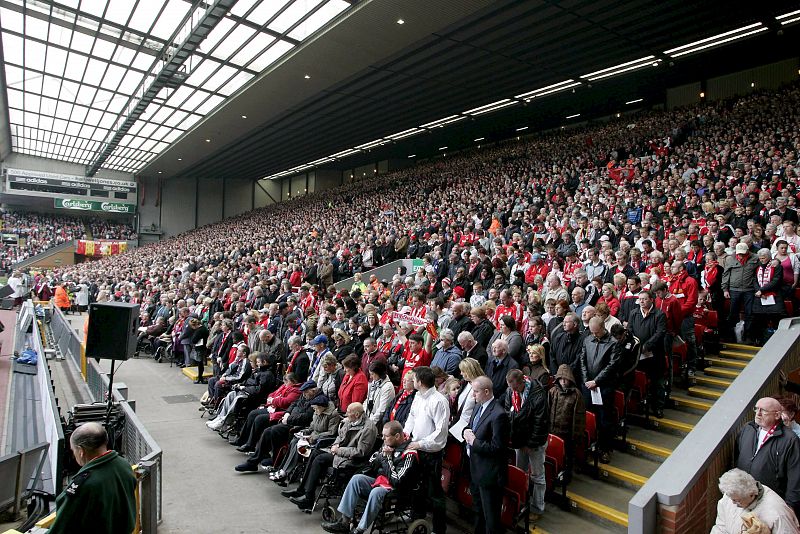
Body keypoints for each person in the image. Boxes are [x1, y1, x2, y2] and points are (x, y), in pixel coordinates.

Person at [321, 421, 421, 534]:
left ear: (397, 436)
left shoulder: (410, 453)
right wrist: (381, 456)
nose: (383, 439)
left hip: (398, 489)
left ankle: (360, 529)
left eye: (386, 436)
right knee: (356, 479)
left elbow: (397, 481)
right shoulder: (388, 444)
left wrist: (387, 459)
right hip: (382, 481)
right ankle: (344, 522)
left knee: (376, 492)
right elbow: (371, 463)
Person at [283, 402, 377, 511]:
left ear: (356, 414)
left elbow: (361, 451)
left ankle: (308, 498)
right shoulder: (350, 421)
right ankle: (301, 490)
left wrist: (338, 450)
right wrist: (336, 444)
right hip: (340, 452)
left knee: (320, 459)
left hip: (352, 460)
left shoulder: (368, 428)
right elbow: (340, 436)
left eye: (348, 412)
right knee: (314, 452)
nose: (346, 414)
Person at [48, 422, 137, 534]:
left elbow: (62, 526)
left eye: (73, 450)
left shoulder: (84, 484)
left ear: (81, 451)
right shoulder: (123, 465)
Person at [403, 366, 450, 534]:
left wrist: (421, 444)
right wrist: (406, 433)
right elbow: (412, 417)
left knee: (435, 493)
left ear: (420, 382)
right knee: (416, 487)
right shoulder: (418, 396)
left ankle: (439, 529)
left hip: (431, 453)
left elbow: (441, 432)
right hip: (415, 447)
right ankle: (417, 519)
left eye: (414, 379)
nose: (411, 381)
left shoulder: (439, 401)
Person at [736, 397, 800, 514]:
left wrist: (790, 505)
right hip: (743, 497)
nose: (758, 414)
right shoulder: (747, 429)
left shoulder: (790, 440)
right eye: (756, 409)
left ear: (776, 415)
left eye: (764, 411)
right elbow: (737, 456)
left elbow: (795, 476)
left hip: (770, 502)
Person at [463, 375, 510, 534]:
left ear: (486, 391)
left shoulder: (499, 415)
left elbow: (497, 447)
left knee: (491, 519)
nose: (472, 395)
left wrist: (473, 441)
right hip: (476, 469)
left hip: (490, 474)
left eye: (475, 392)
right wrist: (466, 432)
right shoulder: (478, 406)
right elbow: (472, 427)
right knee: (478, 511)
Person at [504, 369, 549, 522]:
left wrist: (530, 444)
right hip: (519, 440)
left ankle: (538, 508)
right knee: (520, 472)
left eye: (515, 388)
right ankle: (520, 503)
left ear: (523, 381)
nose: (513, 391)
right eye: (510, 388)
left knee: (537, 476)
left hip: (535, 443)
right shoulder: (511, 392)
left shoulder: (538, 394)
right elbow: (508, 413)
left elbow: (540, 423)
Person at [579, 317, 621, 463]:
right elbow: (582, 360)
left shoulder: (613, 343)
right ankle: (589, 446)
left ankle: (605, 449)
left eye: (596, 332)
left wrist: (596, 381)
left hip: (604, 387)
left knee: (604, 420)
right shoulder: (588, 340)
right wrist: (586, 380)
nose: (594, 335)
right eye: (592, 332)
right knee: (589, 417)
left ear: (603, 327)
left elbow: (612, 365)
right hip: (588, 386)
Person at [711, 468, 800, 534]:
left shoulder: (778, 513)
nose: (733, 503)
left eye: (737, 501)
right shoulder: (730, 496)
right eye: (732, 499)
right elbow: (720, 528)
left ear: (752, 494)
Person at [627, 290, 667, 417]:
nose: (642, 301)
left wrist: (646, 346)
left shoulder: (659, 315)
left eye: (644, 299)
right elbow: (630, 330)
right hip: (638, 355)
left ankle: (658, 407)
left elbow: (660, 333)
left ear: (651, 299)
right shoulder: (634, 313)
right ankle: (639, 406)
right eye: (640, 299)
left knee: (657, 382)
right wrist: (636, 345)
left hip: (654, 355)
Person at [549, 363, 585, 481]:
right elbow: (547, 410)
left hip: (567, 434)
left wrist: (576, 435)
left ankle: (567, 476)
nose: (563, 381)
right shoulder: (552, 391)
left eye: (566, 378)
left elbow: (579, 417)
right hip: (552, 431)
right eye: (561, 378)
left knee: (567, 457)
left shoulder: (576, 395)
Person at [722, 243, 759, 344]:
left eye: (743, 253)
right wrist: (725, 289)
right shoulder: (730, 259)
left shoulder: (755, 258)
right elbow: (726, 274)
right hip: (734, 289)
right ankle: (731, 335)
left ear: (748, 251)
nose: (741, 255)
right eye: (739, 253)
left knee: (749, 313)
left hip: (749, 289)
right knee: (732, 313)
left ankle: (748, 335)